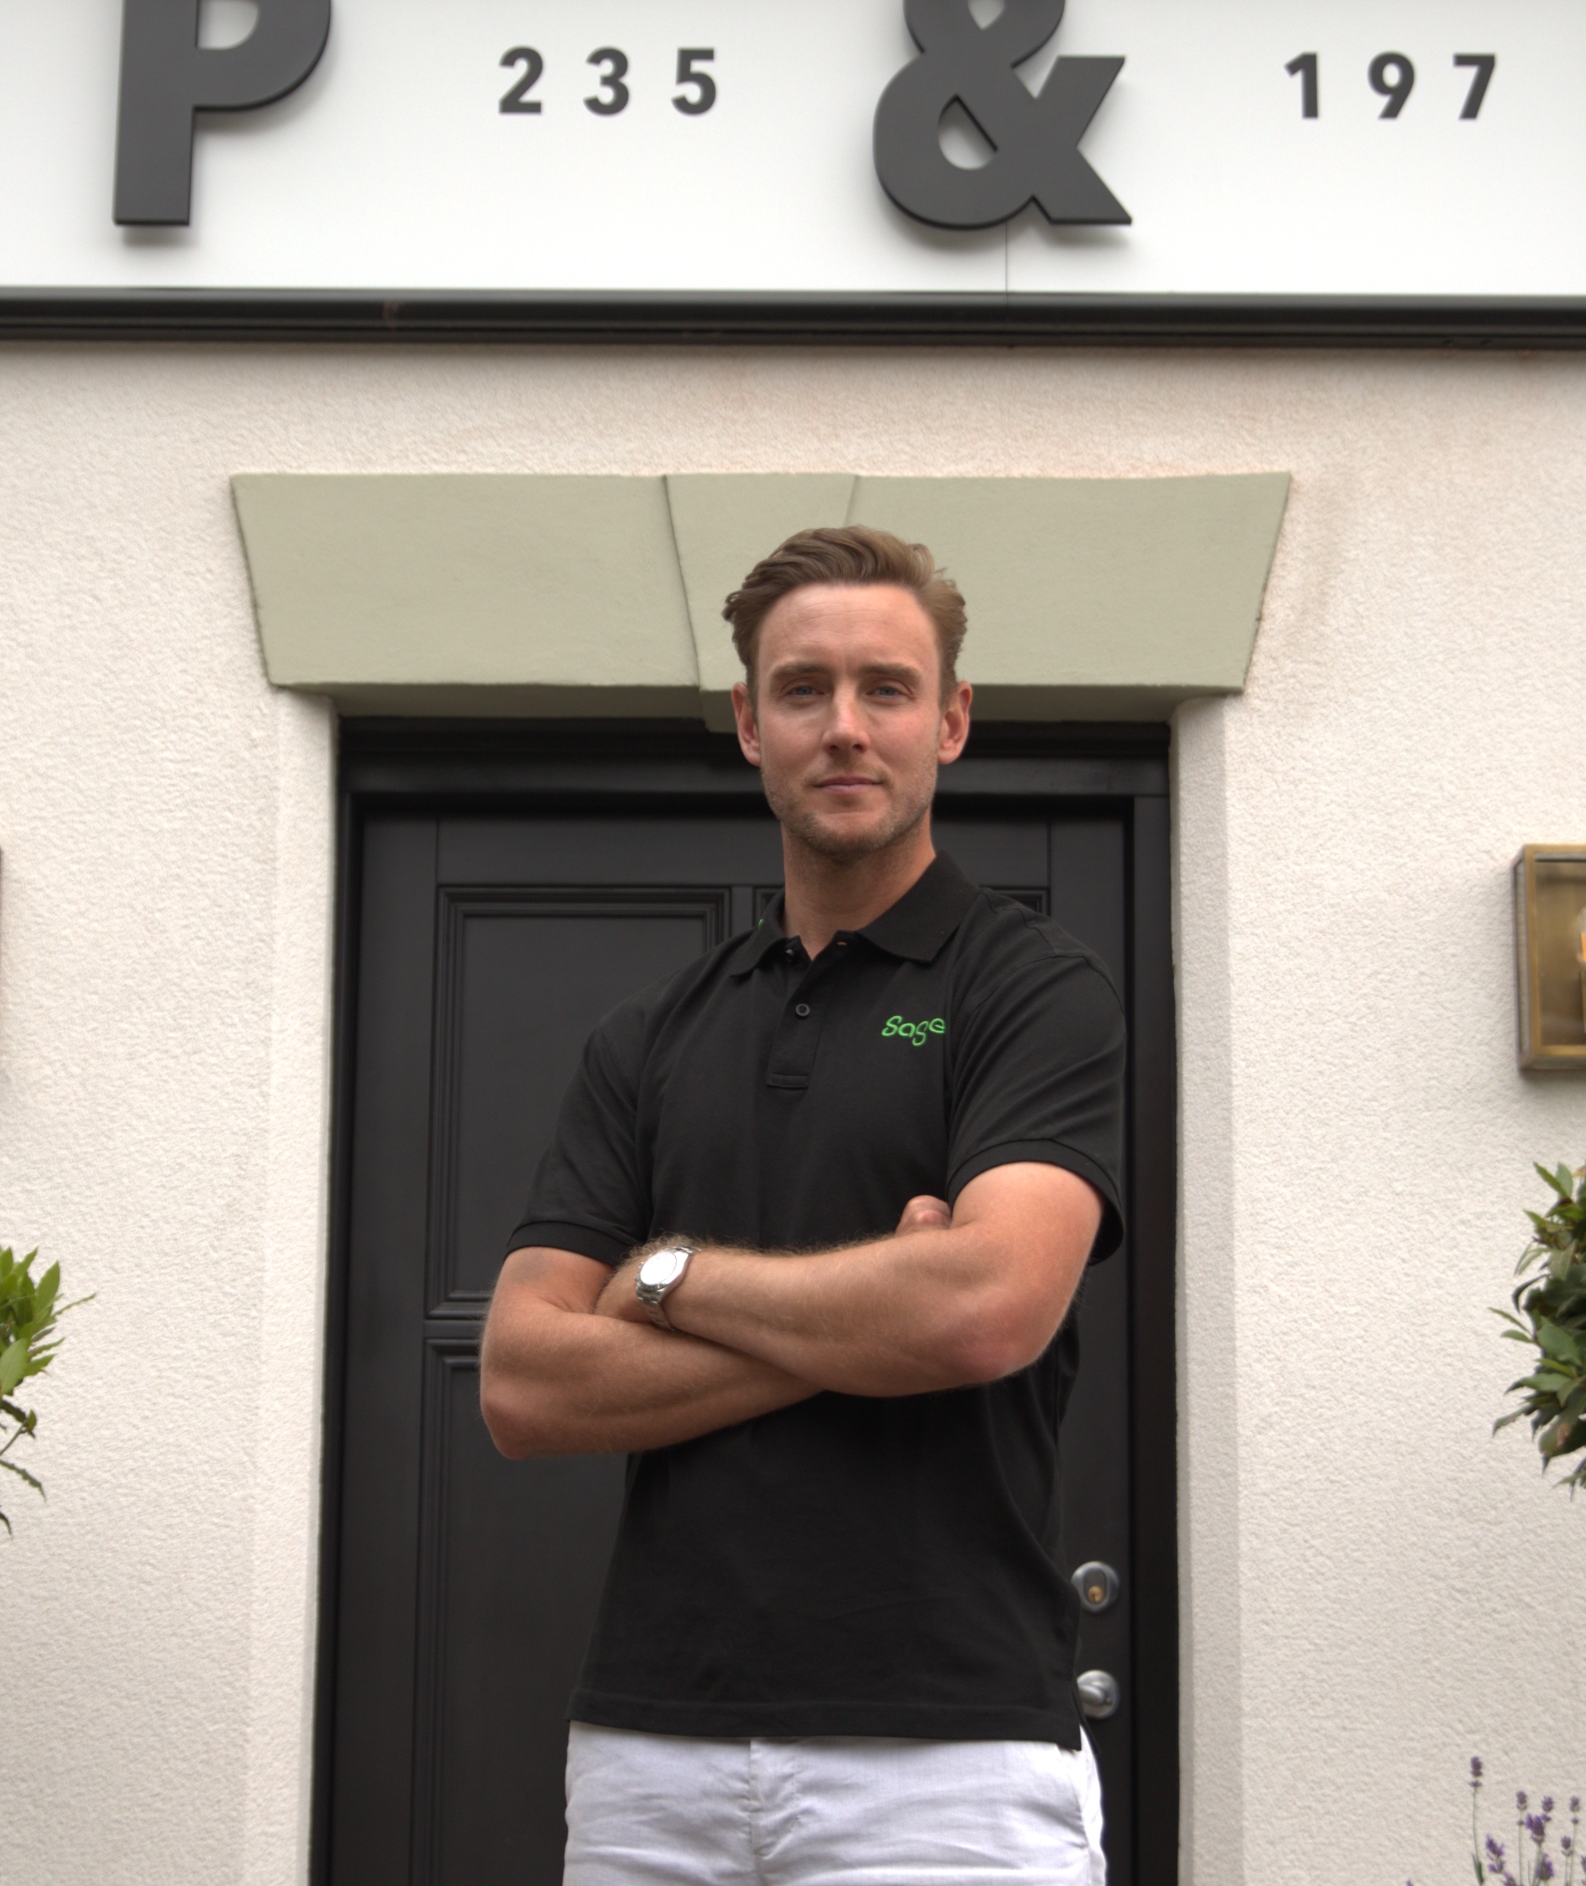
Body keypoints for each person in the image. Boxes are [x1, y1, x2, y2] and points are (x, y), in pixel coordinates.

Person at [480, 525, 1129, 1886]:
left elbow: (986, 1307)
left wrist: (662, 1275)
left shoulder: (1031, 991)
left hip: (943, 1763)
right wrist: (862, 1325)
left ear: (950, 719)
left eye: (887, 688)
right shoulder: (650, 1034)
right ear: (747, 723)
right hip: (649, 1755)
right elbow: (525, 1382)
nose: (846, 726)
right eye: (804, 689)